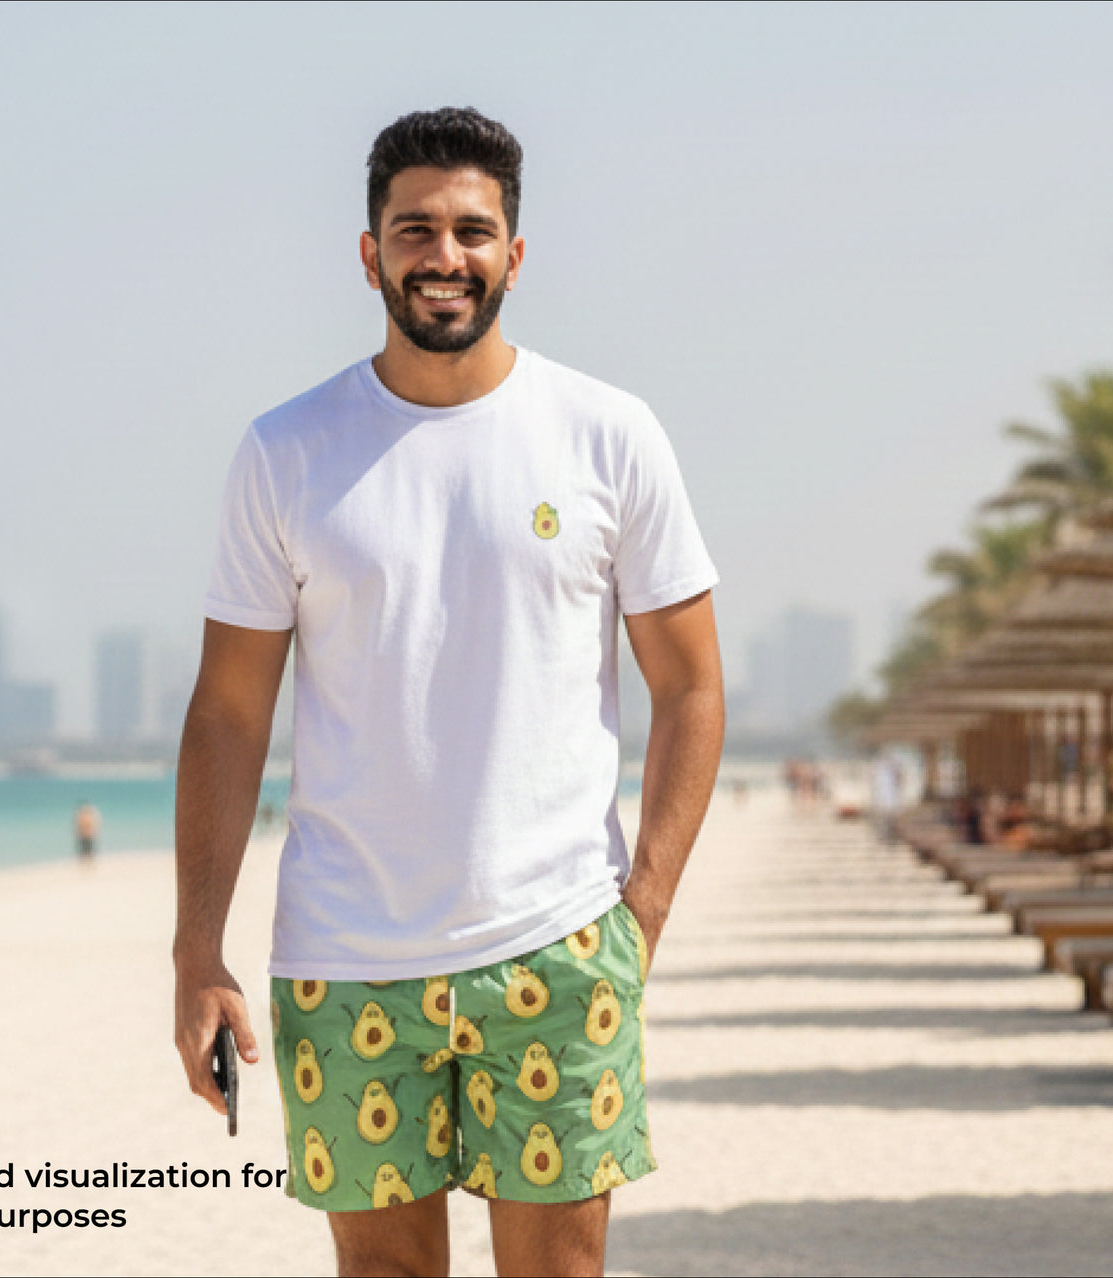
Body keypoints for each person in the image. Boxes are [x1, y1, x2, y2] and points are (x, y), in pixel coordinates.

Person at [173, 107, 725, 1277]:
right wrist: (196, 951)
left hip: (559, 943)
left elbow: (689, 686)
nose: (444, 255)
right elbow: (227, 713)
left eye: (471, 230)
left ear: (513, 256)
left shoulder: (606, 435)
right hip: (342, 955)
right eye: (413, 228)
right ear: (368, 253)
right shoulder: (286, 452)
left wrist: (643, 915)